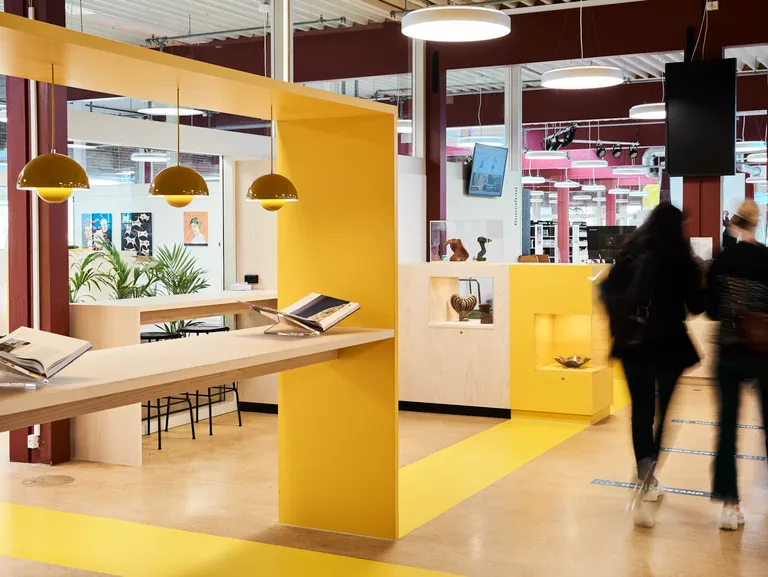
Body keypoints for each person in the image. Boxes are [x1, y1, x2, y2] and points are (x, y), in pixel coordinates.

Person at [601, 203, 705, 527]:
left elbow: (607, 292)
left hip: (632, 345)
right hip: (668, 347)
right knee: (662, 414)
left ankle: (645, 475)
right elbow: (697, 306)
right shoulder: (681, 259)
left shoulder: (630, 253)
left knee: (641, 412)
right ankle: (649, 474)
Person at [707, 199, 768, 531]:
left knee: (727, 428)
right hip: (764, 353)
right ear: (758, 223)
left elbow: (710, 311)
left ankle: (730, 506)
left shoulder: (723, 259)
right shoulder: (767, 258)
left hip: (729, 351)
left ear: (735, 223)